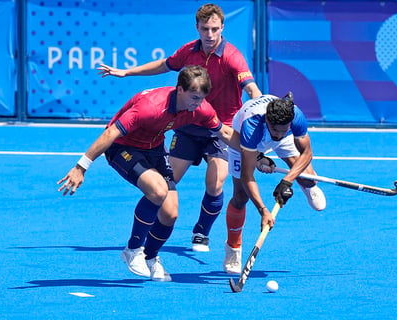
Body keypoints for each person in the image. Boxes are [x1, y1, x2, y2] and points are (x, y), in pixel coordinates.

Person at [97, 3, 262, 253]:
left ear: (222, 28)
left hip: (220, 128)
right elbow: (164, 65)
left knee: (215, 183)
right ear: (197, 27)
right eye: (205, 28)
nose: (209, 34)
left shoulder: (232, 57)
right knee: (164, 184)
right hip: (188, 126)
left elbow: (249, 85)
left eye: (214, 29)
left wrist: (258, 102)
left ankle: (201, 232)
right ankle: (148, 240)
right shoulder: (188, 51)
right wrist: (127, 73)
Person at [57, 66, 240, 282]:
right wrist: (81, 166)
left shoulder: (201, 108)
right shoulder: (150, 107)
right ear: (179, 89)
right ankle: (133, 248)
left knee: (170, 213)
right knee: (157, 190)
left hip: (154, 147)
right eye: (193, 97)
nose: (197, 104)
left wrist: (254, 155)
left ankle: (151, 257)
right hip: (123, 147)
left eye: (201, 99)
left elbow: (225, 132)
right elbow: (111, 133)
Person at [223, 92, 327, 274]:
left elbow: (307, 153)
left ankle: (307, 186)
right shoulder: (252, 125)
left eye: (283, 129)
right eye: (275, 130)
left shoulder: (294, 116)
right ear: (268, 121)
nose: (278, 134)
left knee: (308, 178)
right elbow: (248, 176)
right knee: (240, 197)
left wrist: (287, 181)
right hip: (243, 141)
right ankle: (233, 247)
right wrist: (263, 210)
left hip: (278, 137)